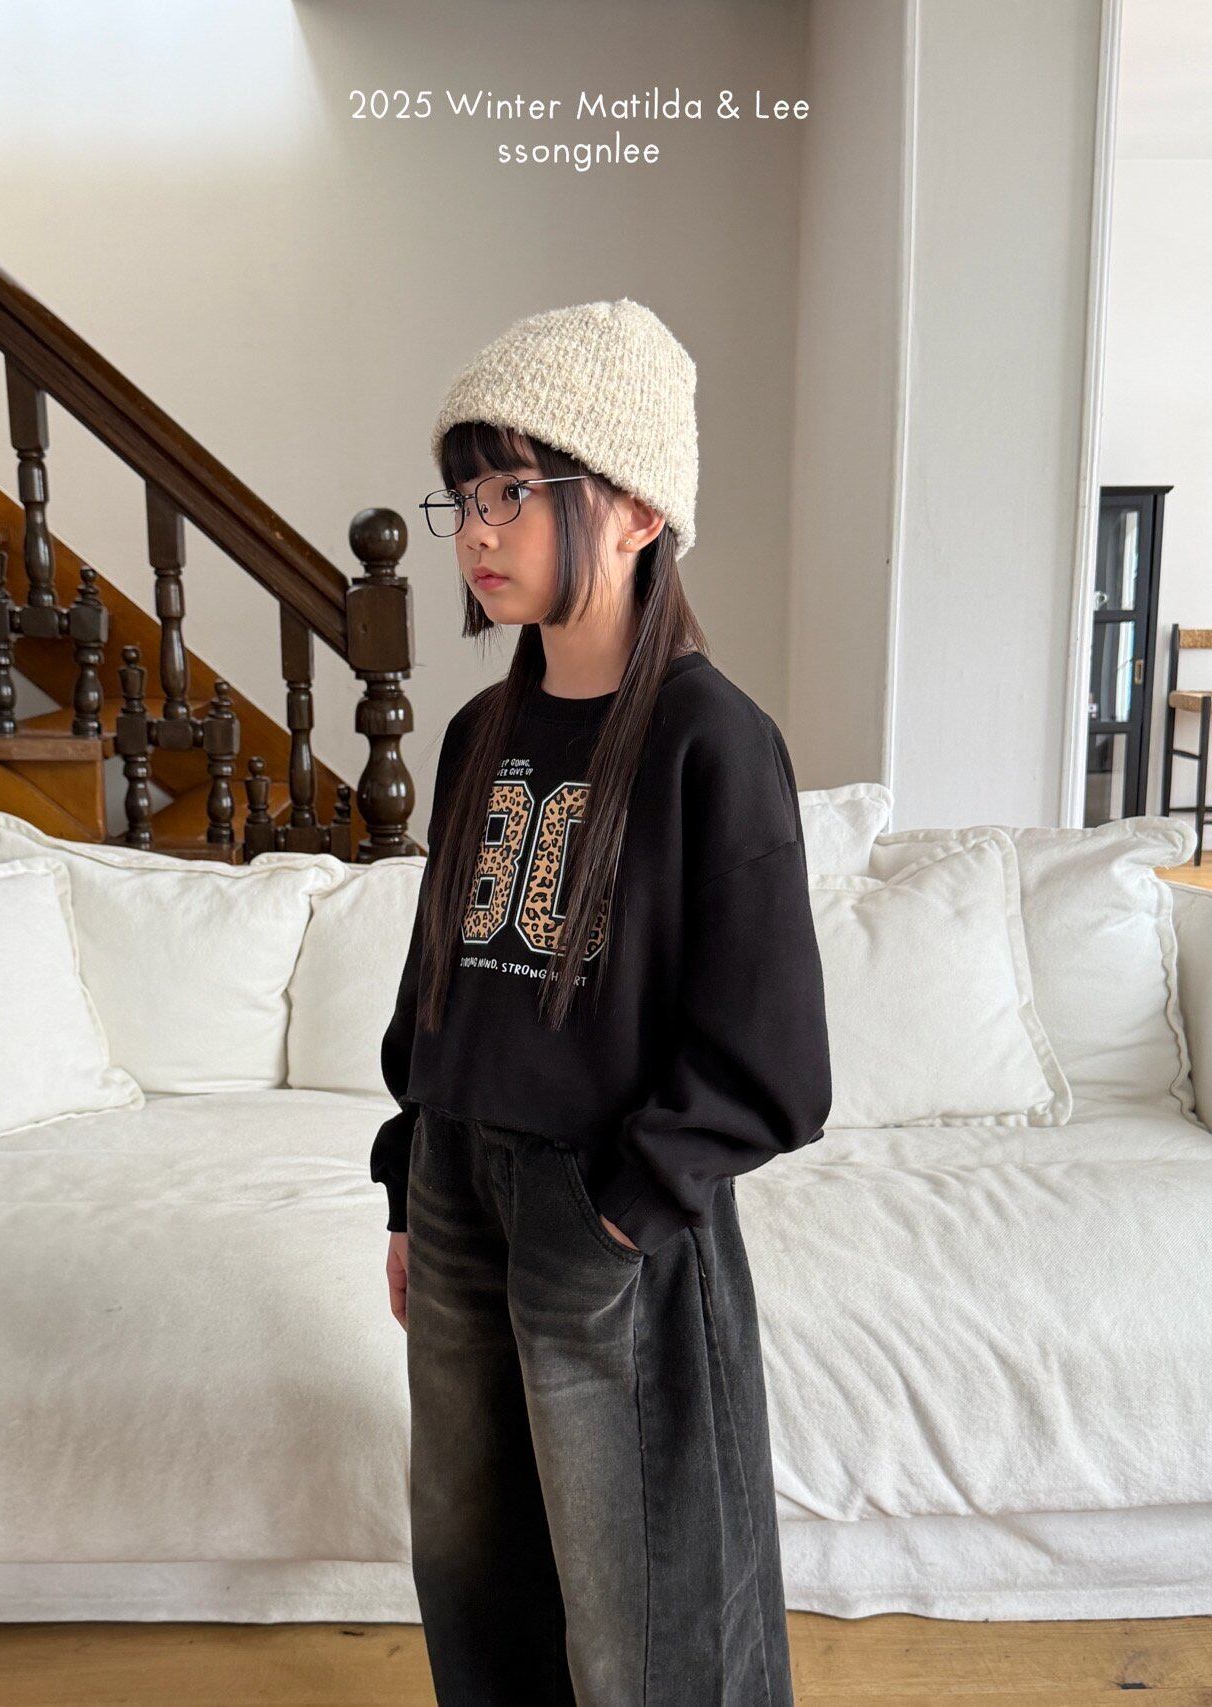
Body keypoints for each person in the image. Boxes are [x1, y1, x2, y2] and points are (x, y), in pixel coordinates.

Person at [370, 297, 832, 1707]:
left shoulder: (713, 741)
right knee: (473, 1568)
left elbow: (774, 1061)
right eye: (465, 498)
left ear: (636, 511)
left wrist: (620, 1215)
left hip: (608, 1210)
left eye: (516, 492)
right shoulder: (479, 735)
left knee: (645, 1602)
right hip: (458, 1188)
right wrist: (408, 1180)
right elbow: (440, 988)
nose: (478, 531)